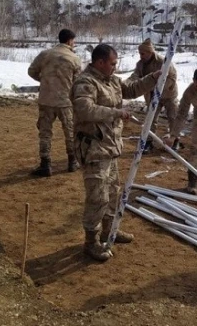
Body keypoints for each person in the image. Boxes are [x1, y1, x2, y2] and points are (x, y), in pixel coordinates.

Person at [71, 44, 162, 261]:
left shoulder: (111, 79)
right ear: (100, 62)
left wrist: (154, 77)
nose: (115, 66)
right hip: (93, 149)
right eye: (112, 63)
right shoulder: (86, 82)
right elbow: (84, 109)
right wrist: (116, 113)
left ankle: (109, 230)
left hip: (110, 147)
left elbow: (130, 89)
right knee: (97, 197)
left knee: (113, 192)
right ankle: (91, 242)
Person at [27, 28, 82, 177]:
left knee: (45, 133)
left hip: (46, 100)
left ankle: (45, 164)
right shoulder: (74, 58)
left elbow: (31, 71)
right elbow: (78, 82)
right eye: (74, 41)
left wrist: (45, 81)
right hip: (66, 101)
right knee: (70, 132)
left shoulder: (45, 55)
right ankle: (72, 162)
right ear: (70, 41)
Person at [127, 39, 178, 152]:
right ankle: (148, 142)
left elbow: (172, 77)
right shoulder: (140, 64)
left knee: (173, 117)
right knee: (150, 118)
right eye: (139, 53)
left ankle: (174, 140)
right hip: (152, 96)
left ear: (150, 52)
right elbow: (136, 75)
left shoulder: (163, 62)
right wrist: (128, 83)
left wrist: (157, 88)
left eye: (143, 53)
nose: (140, 56)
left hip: (168, 94)